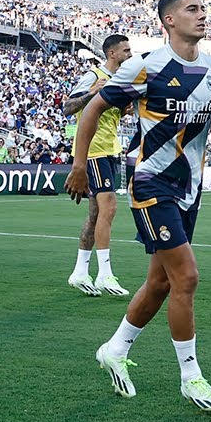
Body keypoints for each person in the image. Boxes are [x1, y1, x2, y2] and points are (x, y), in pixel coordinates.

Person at [67, 0, 211, 413]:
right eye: (192, 9)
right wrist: (78, 165)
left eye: (204, 8)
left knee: (161, 282)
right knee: (188, 278)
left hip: (189, 190)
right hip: (150, 185)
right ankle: (191, 377)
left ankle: (115, 348)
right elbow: (92, 109)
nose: (202, 15)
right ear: (168, 21)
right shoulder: (146, 66)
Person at [61, 33, 132, 297]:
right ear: (112, 53)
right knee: (109, 208)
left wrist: (121, 111)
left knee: (94, 215)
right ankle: (104, 274)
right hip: (94, 151)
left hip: (108, 149)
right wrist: (93, 94)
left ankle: (80, 271)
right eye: (126, 50)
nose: (130, 55)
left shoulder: (119, 81)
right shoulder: (94, 76)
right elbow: (68, 107)